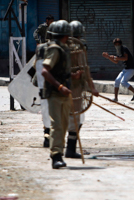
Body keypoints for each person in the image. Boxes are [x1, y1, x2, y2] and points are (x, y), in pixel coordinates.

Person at [41, 20, 82, 169]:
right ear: (66, 34)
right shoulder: (55, 49)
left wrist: (73, 76)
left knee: (63, 126)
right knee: (57, 125)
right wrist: (59, 87)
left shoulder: (63, 48)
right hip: (55, 93)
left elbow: (61, 72)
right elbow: (45, 70)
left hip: (64, 93)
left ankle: (59, 153)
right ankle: (56, 156)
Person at [65, 20, 99, 158]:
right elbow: (84, 70)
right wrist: (92, 88)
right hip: (75, 88)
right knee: (75, 118)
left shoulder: (59, 46)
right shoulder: (78, 49)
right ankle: (70, 150)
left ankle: (57, 148)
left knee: (65, 117)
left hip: (59, 87)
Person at [33, 21, 56, 148]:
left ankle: (47, 136)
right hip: (57, 88)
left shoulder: (40, 48)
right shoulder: (60, 48)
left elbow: (35, 67)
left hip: (43, 89)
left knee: (46, 113)